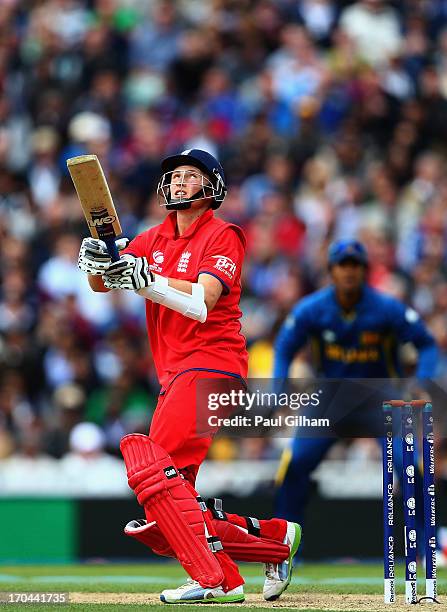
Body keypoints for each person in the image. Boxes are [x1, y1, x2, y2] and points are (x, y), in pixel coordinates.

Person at [77, 149, 301, 604]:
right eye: (174, 175)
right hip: (174, 375)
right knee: (170, 512)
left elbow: (202, 301)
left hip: (213, 366)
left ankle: (211, 578)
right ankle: (272, 543)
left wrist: (146, 278)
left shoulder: (224, 235)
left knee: (152, 475)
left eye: (190, 176)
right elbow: (105, 282)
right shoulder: (151, 238)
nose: (179, 182)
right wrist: (97, 261)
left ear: (211, 187)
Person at [274, 238, 438, 528]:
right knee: (295, 464)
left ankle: (426, 543)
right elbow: (284, 348)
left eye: (355, 266)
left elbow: (426, 344)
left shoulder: (387, 308)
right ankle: (284, 545)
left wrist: (421, 381)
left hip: (380, 396)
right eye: (342, 265)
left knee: (409, 465)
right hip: (330, 399)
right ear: (331, 271)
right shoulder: (311, 309)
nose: (349, 272)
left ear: (365, 270)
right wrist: (278, 393)